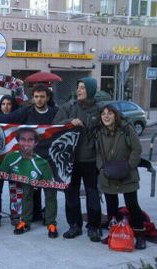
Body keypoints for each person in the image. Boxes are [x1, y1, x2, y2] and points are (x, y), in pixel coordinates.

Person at [53, 77, 102, 242]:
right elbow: (55, 125)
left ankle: (94, 227)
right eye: (78, 87)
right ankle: (74, 225)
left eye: (82, 88)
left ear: (91, 90)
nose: (79, 90)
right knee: (71, 193)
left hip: (90, 159)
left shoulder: (100, 109)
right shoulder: (68, 107)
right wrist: (69, 121)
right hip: (70, 159)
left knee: (92, 193)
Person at [96, 105, 146, 249]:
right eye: (103, 114)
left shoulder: (126, 129)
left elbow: (137, 149)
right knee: (112, 207)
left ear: (115, 115)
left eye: (109, 113)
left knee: (132, 206)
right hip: (108, 175)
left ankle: (140, 235)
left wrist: (129, 166)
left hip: (128, 174)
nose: (106, 116)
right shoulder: (99, 132)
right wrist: (101, 168)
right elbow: (98, 153)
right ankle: (114, 233)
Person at [0, 128, 58, 238]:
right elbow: (1, 173)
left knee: (51, 192)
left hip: (40, 177)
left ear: (35, 143)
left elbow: (50, 183)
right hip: (25, 182)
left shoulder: (42, 162)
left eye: (30, 140)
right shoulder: (11, 157)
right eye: (23, 139)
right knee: (26, 191)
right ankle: (25, 221)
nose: (26, 143)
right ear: (18, 141)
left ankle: (51, 223)